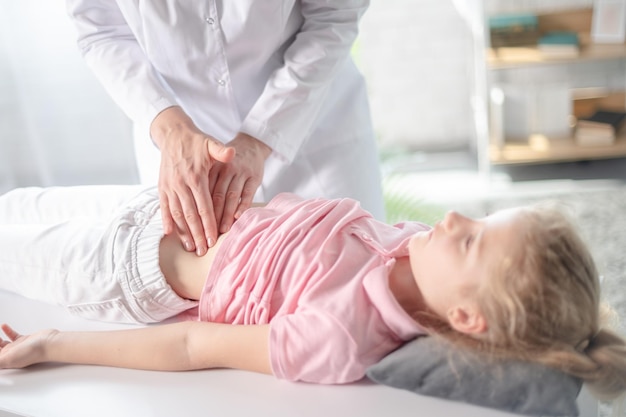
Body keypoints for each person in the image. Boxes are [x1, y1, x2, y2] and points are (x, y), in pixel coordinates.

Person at [0, 185, 625, 400]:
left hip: (127, 267)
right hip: (157, 205)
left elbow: (194, 344)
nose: (458, 220)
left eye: (472, 244)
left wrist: (51, 345)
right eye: (482, 222)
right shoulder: (412, 243)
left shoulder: (342, 336)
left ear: (465, 316)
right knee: (13, 205)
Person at [65, 1, 386, 259]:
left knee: (353, 268)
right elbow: (100, 30)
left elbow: (335, 15)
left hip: (312, 124)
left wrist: (262, 135)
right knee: (210, 293)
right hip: (178, 146)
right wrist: (170, 128)